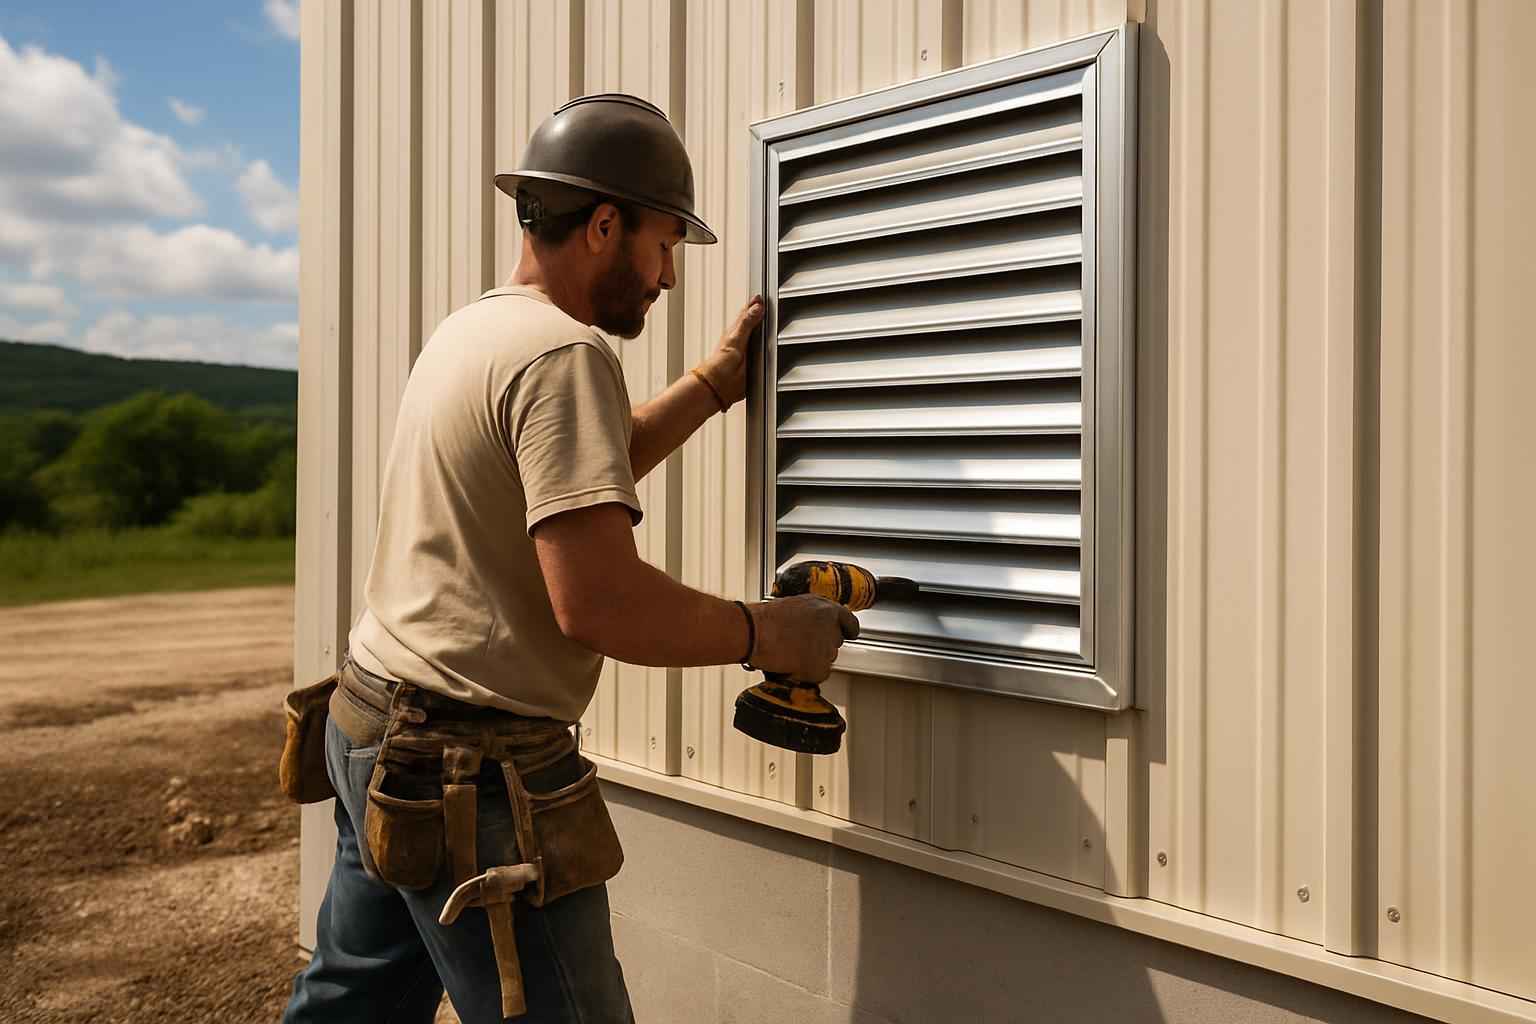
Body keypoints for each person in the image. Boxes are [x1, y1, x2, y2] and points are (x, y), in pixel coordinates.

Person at [282, 93, 858, 1023]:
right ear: (602, 225)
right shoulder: (562, 355)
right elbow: (600, 604)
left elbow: (572, 473)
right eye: (664, 244)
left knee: (352, 1005)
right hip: (468, 770)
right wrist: (768, 632)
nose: (668, 276)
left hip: (374, 722)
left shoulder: (476, 330)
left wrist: (711, 386)